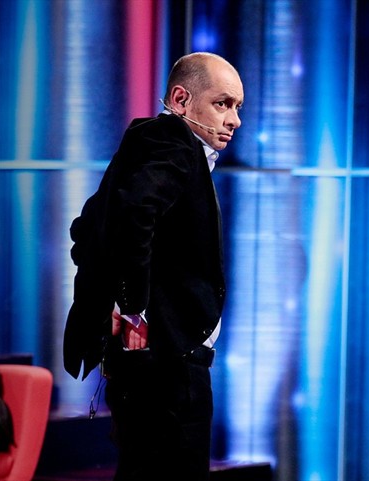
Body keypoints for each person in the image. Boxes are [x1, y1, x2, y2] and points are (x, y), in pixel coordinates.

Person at [63, 52, 244, 481]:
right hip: (168, 367)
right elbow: (132, 215)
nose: (234, 120)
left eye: (238, 107)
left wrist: (110, 300)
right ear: (181, 99)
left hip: (154, 366)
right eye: (222, 104)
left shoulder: (148, 142)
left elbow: (86, 229)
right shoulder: (173, 142)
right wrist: (133, 312)